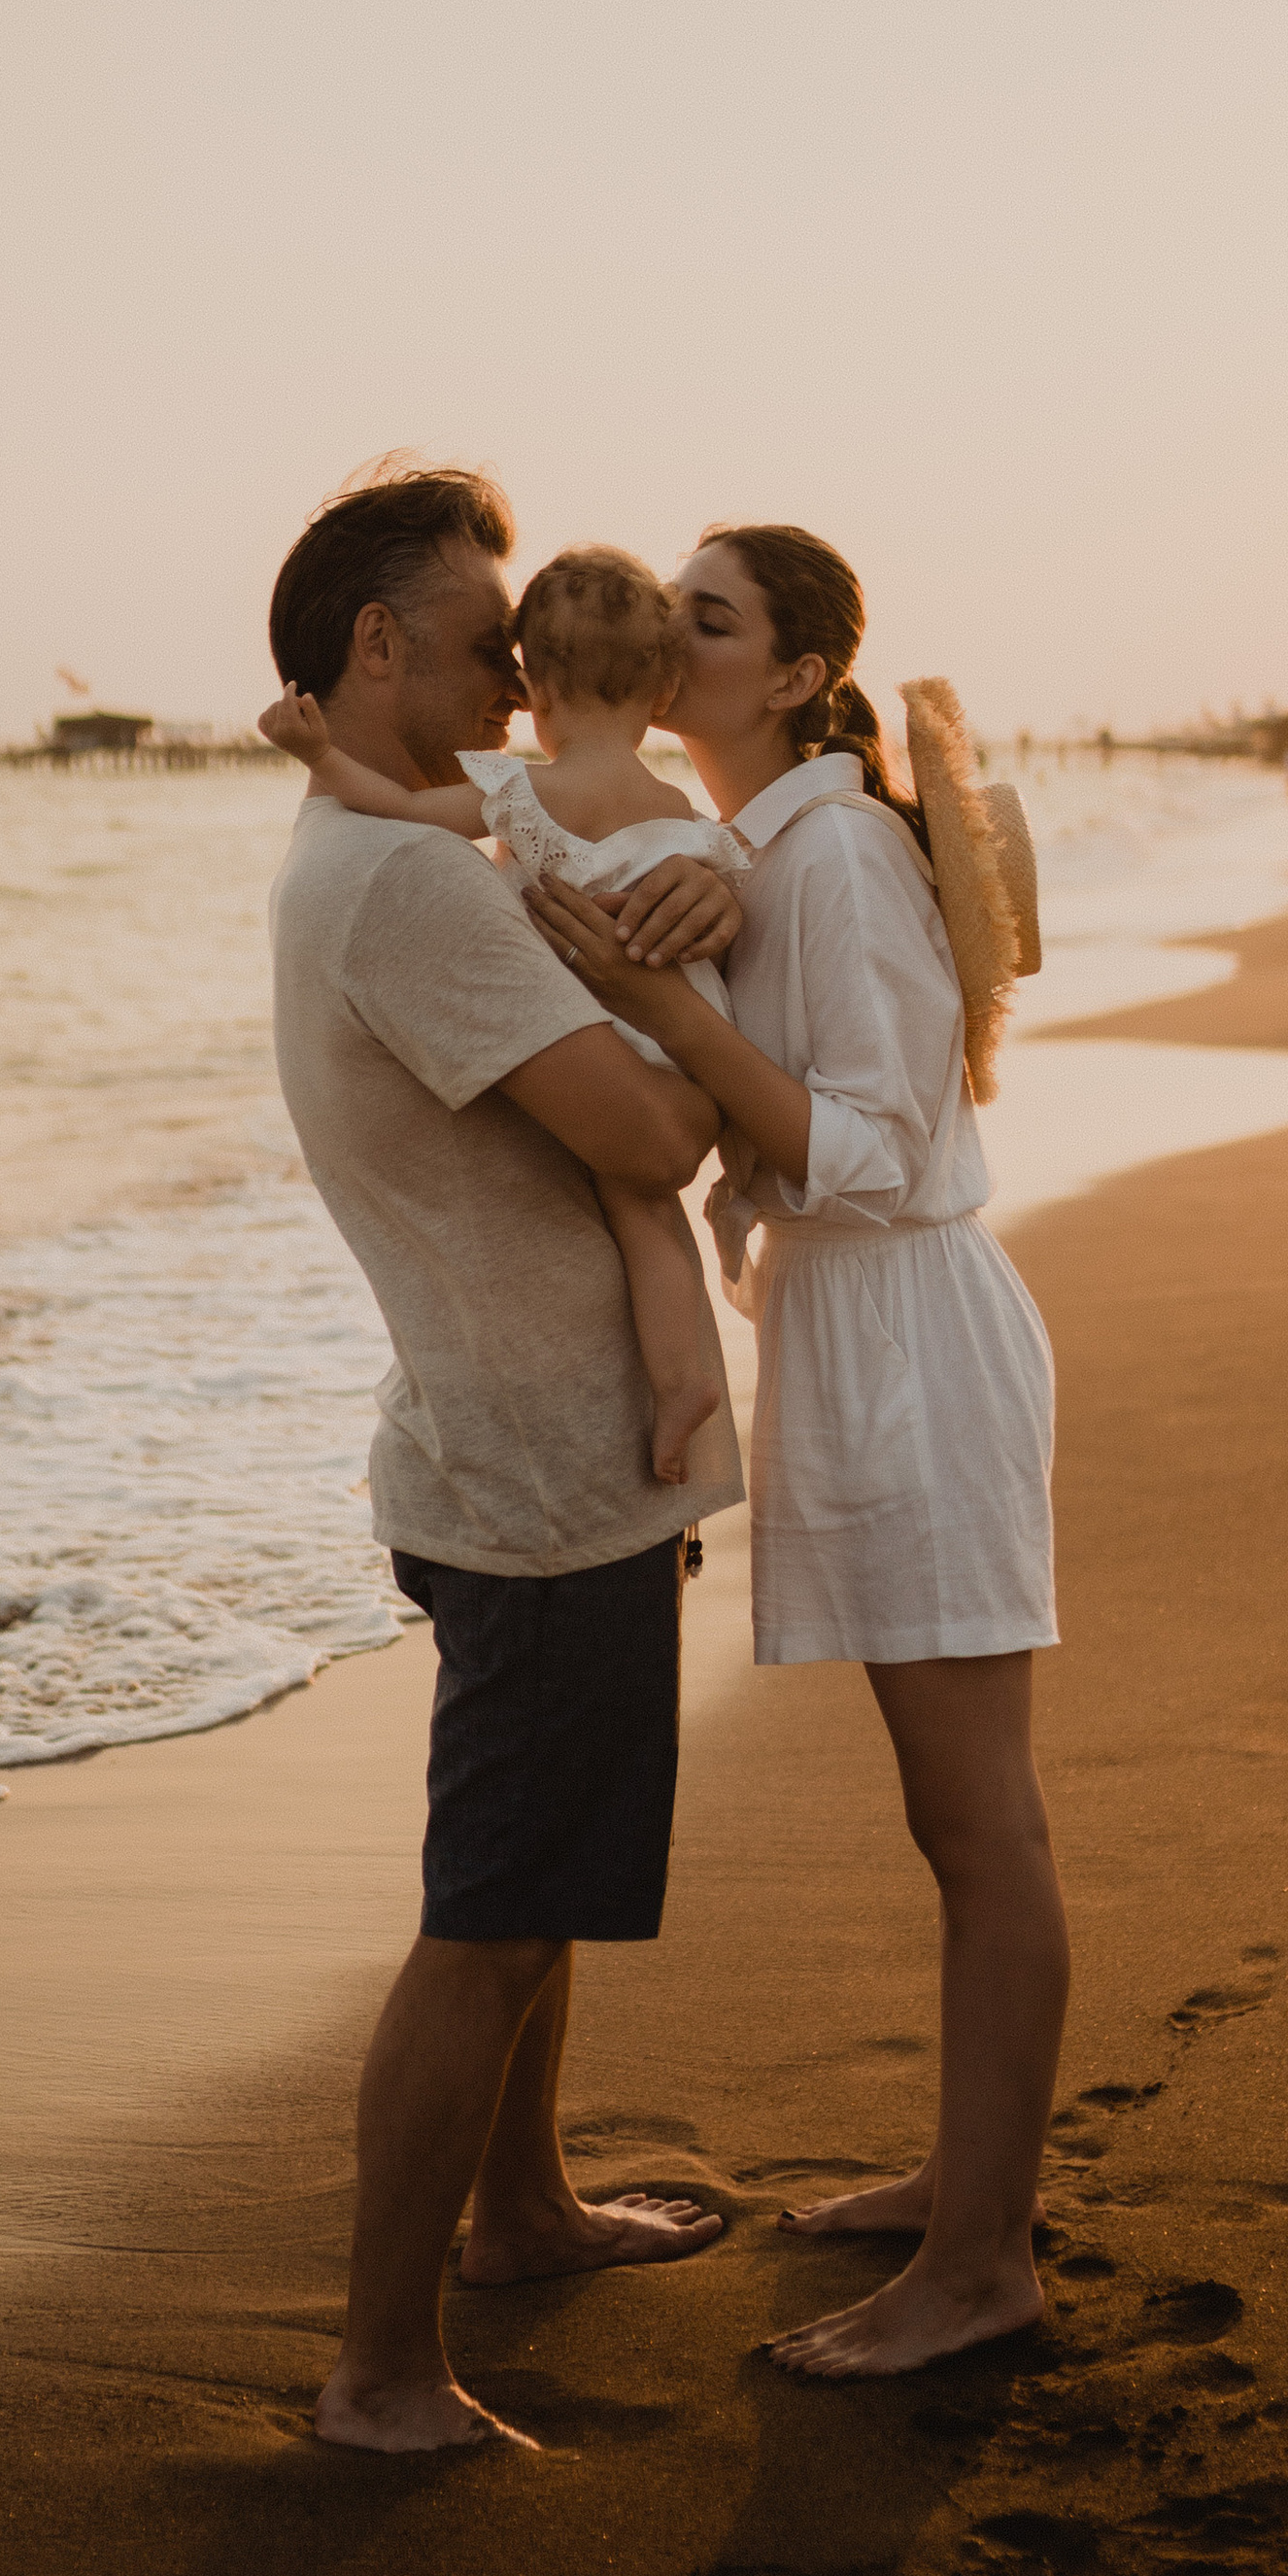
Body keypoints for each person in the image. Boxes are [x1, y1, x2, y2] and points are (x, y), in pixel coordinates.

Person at [521, 522, 1068, 2381]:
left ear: (799, 671)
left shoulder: (831, 854)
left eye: (712, 617)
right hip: (858, 1340)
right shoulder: (753, 851)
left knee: (980, 1824)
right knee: (952, 1817)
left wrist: (669, 1004)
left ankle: (985, 2259)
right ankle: (963, 2183)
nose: (669, 640)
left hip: (917, 1333)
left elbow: (883, 1144)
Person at [262, 459, 748, 2452]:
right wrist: (685, 985)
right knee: (490, 1914)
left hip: (504, 1450)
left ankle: (524, 2212)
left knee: (532, 1890)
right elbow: (646, 1139)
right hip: (532, 1478)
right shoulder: (399, 885)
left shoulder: (383, 851)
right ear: (376, 645)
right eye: (481, 639)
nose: (516, 668)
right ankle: (381, 2370)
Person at [259, 541, 746, 1483]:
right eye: (493, 655)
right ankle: (680, 1372)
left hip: (623, 1014)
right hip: (688, 1019)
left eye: (521, 667)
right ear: (657, 695)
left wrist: (317, 756)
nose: (516, 698)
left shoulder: (524, 795)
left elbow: (395, 805)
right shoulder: (678, 806)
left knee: (636, 1202)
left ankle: (677, 1379)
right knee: (652, 1216)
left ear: (551, 694)